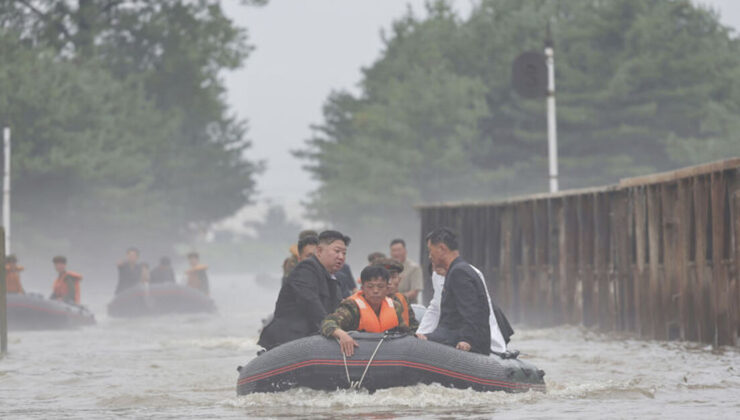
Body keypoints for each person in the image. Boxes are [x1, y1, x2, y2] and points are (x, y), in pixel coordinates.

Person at [259, 230, 349, 351]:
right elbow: (310, 302)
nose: (341, 257)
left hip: (313, 340)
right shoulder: (305, 270)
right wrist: (334, 330)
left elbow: (338, 310)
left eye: (344, 253)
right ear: (319, 251)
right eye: (337, 251)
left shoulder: (333, 278)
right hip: (287, 341)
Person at [417, 228, 495, 355]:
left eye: (431, 251)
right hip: (449, 335)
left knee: (420, 343)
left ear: (442, 249)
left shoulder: (459, 272)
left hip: (461, 340)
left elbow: (472, 310)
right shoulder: (456, 270)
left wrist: (467, 339)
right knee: (419, 339)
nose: (430, 256)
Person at [321, 265, 415, 356]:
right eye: (370, 286)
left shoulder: (395, 306)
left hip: (387, 353)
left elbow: (405, 332)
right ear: (362, 289)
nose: (375, 291)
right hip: (357, 354)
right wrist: (342, 335)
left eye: (380, 286)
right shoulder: (352, 306)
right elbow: (327, 323)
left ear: (387, 288)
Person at [375, 258, 419, 331]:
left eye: (393, 277)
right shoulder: (368, 301)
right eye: (384, 278)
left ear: (399, 279)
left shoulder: (403, 299)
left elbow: (413, 328)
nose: (389, 282)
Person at [390, 238, 423, 304]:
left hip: (409, 305)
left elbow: (414, 292)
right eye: (394, 251)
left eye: (399, 250)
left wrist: (395, 298)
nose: (396, 253)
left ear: (405, 251)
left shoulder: (414, 268)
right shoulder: (386, 267)